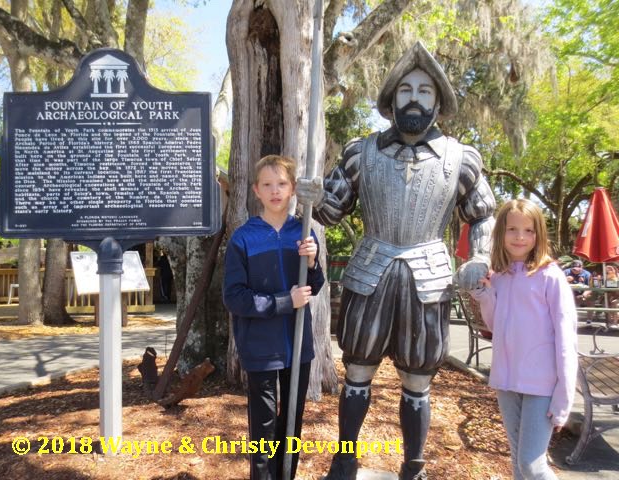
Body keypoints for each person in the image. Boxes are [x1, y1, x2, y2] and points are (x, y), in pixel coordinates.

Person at [297, 41, 496, 480]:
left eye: (425, 91)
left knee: (418, 378)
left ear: (438, 101)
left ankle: (414, 466)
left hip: (428, 276)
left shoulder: (461, 159)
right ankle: (345, 459)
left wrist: (480, 254)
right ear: (391, 99)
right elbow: (331, 212)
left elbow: (482, 213)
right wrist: (311, 198)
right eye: (406, 89)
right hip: (371, 269)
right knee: (358, 368)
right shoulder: (359, 152)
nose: (414, 98)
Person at [223, 155, 325, 480]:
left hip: (298, 346)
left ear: (293, 188)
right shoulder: (243, 238)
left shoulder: (304, 233)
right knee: (263, 429)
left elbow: (315, 287)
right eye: (267, 185)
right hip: (260, 348)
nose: (275, 190)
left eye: (282, 183)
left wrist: (312, 265)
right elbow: (234, 297)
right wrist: (285, 301)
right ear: (256, 190)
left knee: (292, 423)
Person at [469, 199, 578, 480]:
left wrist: (563, 398)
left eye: (528, 230)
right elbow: (496, 326)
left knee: (532, 465)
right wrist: (485, 296)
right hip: (507, 383)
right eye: (512, 229)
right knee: (519, 464)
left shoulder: (550, 276)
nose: (520, 237)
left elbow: (567, 342)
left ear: (538, 233)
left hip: (541, 387)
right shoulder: (500, 276)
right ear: (500, 233)